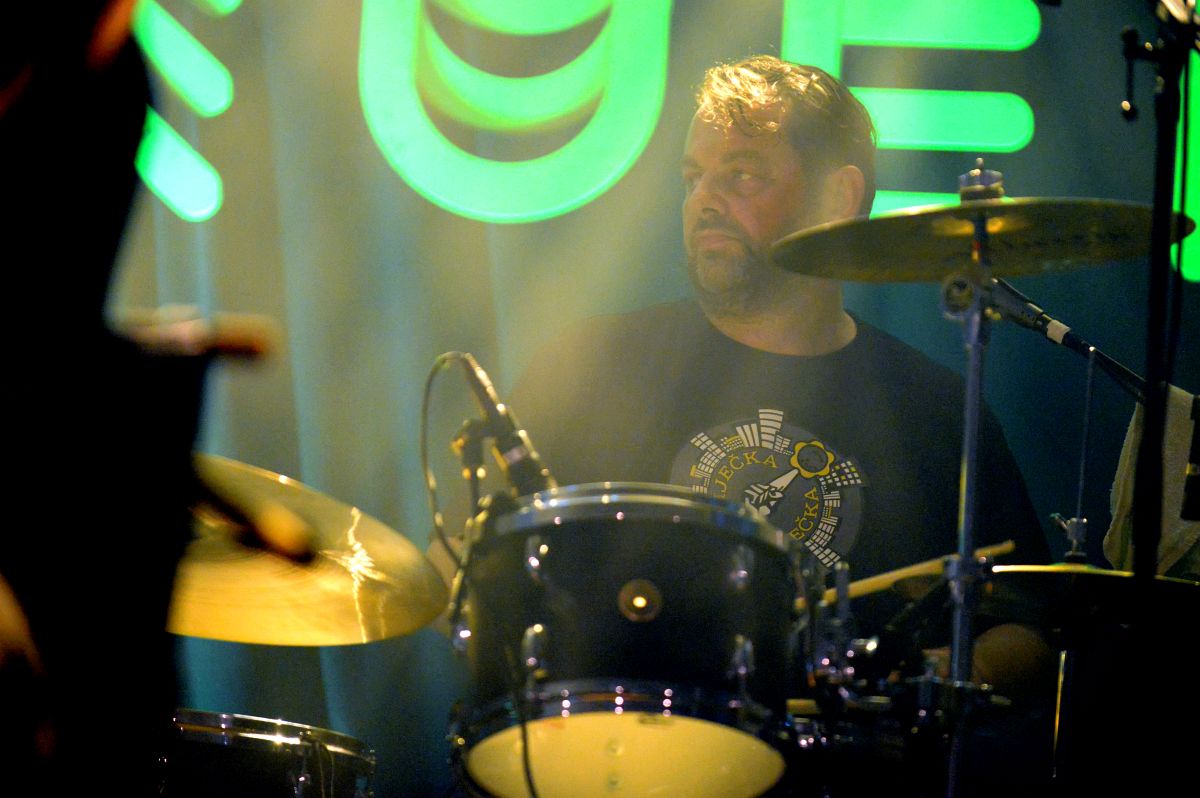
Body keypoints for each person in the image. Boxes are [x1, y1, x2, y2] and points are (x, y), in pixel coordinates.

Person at [498, 55, 1057, 795]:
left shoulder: (936, 409)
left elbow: (1027, 629)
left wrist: (948, 671)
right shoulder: (589, 367)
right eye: (694, 177)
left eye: (742, 175)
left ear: (838, 196)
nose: (704, 199)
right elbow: (474, 573)